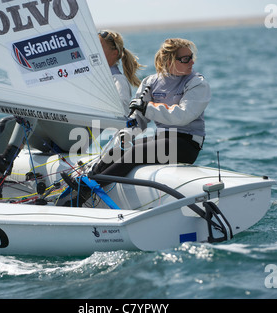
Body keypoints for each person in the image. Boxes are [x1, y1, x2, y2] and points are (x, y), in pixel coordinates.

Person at [0, 30, 143, 198]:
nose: (93, 51)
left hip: (78, 138)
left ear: (114, 53)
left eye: (99, 47)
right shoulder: (86, 75)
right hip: (59, 135)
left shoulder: (117, 80)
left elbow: (122, 115)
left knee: (34, 110)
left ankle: (7, 159)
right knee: (5, 125)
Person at [83, 38, 211, 201]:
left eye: (191, 57)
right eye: (185, 59)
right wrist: (127, 134)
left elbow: (183, 115)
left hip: (187, 144)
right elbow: (139, 118)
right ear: (168, 60)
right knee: (120, 149)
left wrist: (147, 107)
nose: (191, 62)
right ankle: (85, 181)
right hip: (163, 139)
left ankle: (86, 192)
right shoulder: (151, 82)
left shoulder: (197, 83)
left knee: (135, 152)